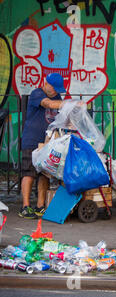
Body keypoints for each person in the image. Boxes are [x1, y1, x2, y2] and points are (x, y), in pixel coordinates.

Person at [19, 73, 65, 219]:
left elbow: (60, 113)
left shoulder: (57, 97)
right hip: (32, 140)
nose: (55, 92)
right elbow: (49, 104)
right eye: (54, 88)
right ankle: (25, 207)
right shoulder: (37, 93)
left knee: (44, 174)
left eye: (57, 89)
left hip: (47, 142)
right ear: (47, 83)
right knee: (29, 173)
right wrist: (72, 103)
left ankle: (40, 206)